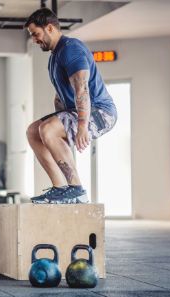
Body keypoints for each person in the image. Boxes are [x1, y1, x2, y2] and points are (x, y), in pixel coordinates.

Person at [25, 8, 117, 204]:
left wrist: (82, 126)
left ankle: (76, 189)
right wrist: (58, 122)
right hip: (77, 110)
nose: (34, 39)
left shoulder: (71, 49)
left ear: (49, 28)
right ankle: (60, 188)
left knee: (47, 129)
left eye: (36, 34)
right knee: (33, 131)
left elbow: (81, 90)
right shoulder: (55, 56)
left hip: (100, 112)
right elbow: (61, 94)